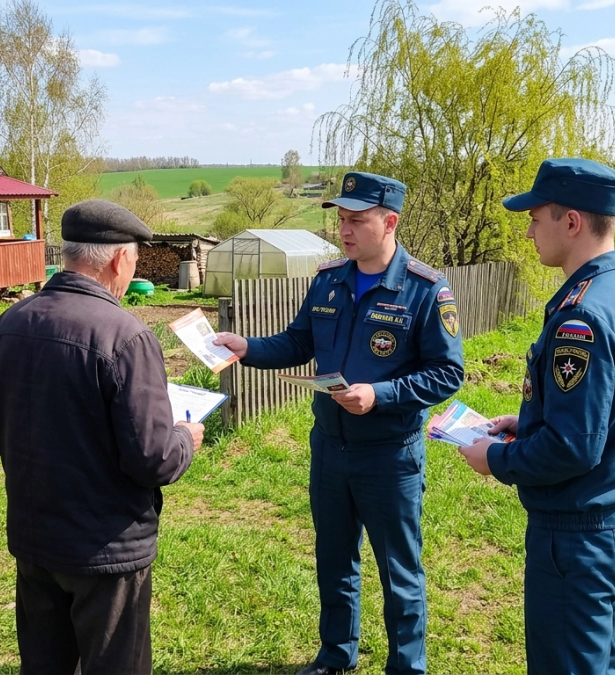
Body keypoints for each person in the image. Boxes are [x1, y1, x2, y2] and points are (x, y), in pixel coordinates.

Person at [214, 172, 464, 675]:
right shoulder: (329, 278)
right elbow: (298, 342)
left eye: (357, 221)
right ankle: (336, 654)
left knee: (399, 571)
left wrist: (380, 394)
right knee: (333, 559)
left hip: (389, 455)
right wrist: (249, 348)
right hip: (329, 447)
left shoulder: (425, 289)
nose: (344, 231)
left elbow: (447, 373)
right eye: (341, 220)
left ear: (389, 222)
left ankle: (407, 666)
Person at [456, 158, 615, 675]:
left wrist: (496, 461)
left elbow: (574, 446)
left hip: (578, 535)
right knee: (597, 659)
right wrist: (526, 423)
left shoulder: (584, 316)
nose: (528, 231)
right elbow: (606, 412)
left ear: (571, 222)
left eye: (535, 217)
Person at [0, 199, 204, 675]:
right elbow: (154, 459)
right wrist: (185, 436)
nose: (132, 272)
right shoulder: (127, 336)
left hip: (36, 538)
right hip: (107, 550)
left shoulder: (12, 323)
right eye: (136, 261)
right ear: (121, 259)